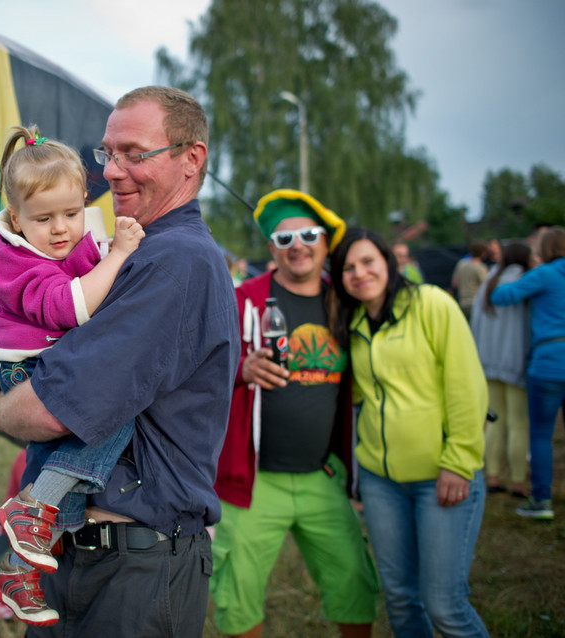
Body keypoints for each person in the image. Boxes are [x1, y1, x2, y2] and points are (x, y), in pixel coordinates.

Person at [0, 85, 239, 637]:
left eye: (134, 154)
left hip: (134, 568)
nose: (114, 172)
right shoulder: (131, 251)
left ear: (191, 159)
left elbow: (56, 411)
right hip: (82, 553)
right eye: (107, 153)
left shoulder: (174, 260)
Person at [0, 125, 144, 626]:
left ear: (84, 199)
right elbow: (69, 306)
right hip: (24, 367)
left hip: (46, 362)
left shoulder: (65, 239)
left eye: (71, 213)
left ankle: (16, 572)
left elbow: (92, 274)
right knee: (113, 414)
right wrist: (118, 254)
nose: (62, 228)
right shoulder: (15, 259)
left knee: (60, 480)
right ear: (16, 218)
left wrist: (108, 249)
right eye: (43, 218)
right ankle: (30, 506)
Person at [211, 189, 378, 638]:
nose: (297, 246)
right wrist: (240, 370)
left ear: (324, 243)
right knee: (237, 592)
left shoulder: (346, 303)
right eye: (284, 240)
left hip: (323, 476)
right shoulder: (241, 301)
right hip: (252, 481)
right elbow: (196, 371)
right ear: (271, 249)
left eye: (307, 235)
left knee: (354, 584)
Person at [330, 227, 489, 638]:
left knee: (445, 607)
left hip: (439, 477)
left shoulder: (432, 304)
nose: (359, 273)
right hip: (382, 483)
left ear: (388, 261)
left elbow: (467, 386)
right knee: (400, 597)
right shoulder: (356, 321)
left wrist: (458, 462)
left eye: (368, 261)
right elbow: (363, 395)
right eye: (348, 267)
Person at [491, 226, 565, 520]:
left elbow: (501, 296)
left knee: (542, 433)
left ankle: (541, 499)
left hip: (548, 361)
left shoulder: (544, 274)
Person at [470, 240, 532, 498]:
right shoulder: (528, 283)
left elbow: (475, 322)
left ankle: (492, 477)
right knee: (519, 424)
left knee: (493, 422)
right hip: (516, 361)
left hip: (487, 361)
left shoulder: (489, 283)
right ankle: (518, 483)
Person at [451, 240, 489, 319]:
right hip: (475, 304)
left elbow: (455, 283)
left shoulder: (461, 264)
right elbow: (486, 286)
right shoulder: (481, 268)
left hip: (462, 303)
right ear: (484, 253)